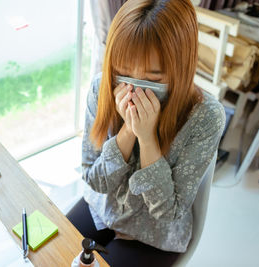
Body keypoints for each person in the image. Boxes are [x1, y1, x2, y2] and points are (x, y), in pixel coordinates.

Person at [67, 0, 226, 266]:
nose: (135, 91)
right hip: (102, 209)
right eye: (124, 74)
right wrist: (127, 131)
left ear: (182, 68)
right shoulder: (101, 88)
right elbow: (94, 180)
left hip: (155, 235)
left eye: (152, 80)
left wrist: (147, 137)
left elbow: (168, 212)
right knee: (49, 253)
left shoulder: (206, 116)